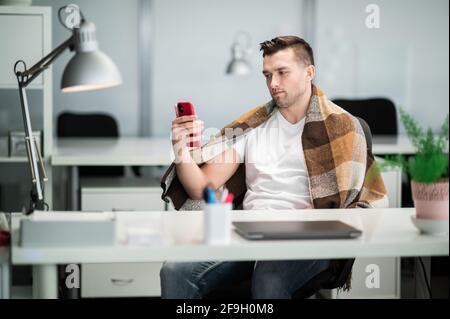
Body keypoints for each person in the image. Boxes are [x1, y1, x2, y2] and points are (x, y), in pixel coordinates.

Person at [160, 36, 388, 299]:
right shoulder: (253, 126)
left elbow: (364, 203)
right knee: (174, 270)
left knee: (268, 280)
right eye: (268, 75)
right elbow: (201, 187)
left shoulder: (342, 127)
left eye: (282, 73)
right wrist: (180, 149)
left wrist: (311, 222)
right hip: (248, 234)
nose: (273, 84)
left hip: (308, 238)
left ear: (309, 73)